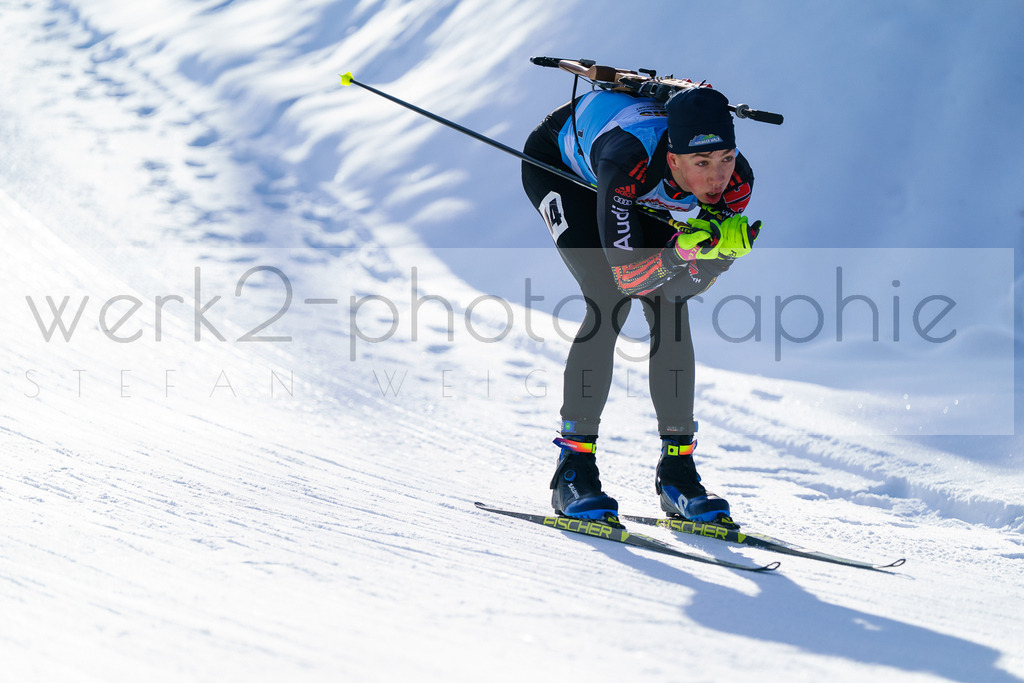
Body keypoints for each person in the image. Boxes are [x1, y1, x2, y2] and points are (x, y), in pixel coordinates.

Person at [521, 85, 761, 527]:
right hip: (561, 166)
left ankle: (678, 471)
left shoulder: (736, 182)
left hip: (639, 191)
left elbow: (679, 290)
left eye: (725, 159)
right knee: (607, 296)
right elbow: (625, 277)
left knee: (669, 312)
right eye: (702, 164)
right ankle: (572, 470)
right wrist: (680, 254)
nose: (716, 178)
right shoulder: (630, 157)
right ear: (674, 159)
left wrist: (718, 258)